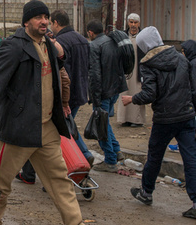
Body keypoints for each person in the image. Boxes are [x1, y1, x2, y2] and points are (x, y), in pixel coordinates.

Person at [0, 0, 103, 225]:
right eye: (38, 17)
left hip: (46, 127)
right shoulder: (13, 46)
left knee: (60, 180)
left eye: (46, 17)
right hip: (19, 127)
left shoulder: (49, 45)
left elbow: (55, 79)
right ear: (26, 22)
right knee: (2, 182)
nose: (44, 21)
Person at [122, 27, 196, 221]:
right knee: (190, 159)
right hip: (186, 116)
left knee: (155, 156)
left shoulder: (148, 64)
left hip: (164, 119)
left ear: (143, 46)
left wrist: (132, 99)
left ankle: (146, 192)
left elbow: (150, 94)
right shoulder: (181, 59)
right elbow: (195, 89)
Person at [51, 9, 95, 165]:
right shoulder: (82, 39)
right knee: (68, 125)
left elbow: (61, 71)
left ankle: (81, 155)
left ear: (56, 22)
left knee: (63, 130)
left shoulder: (60, 42)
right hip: (81, 90)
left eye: (51, 23)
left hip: (67, 93)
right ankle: (84, 153)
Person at [86, 19, 128, 172]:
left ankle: (110, 160)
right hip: (115, 89)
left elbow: (95, 75)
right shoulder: (113, 41)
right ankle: (117, 152)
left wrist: (95, 99)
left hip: (103, 92)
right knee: (106, 124)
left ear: (91, 32)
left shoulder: (95, 46)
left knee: (101, 126)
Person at [117, 13, 146, 127]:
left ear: (139, 24)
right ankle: (124, 119)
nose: (133, 25)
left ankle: (137, 120)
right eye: (131, 22)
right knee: (124, 92)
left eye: (135, 22)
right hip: (125, 70)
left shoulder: (143, 36)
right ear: (128, 23)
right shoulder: (123, 36)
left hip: (139, 70)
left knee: (137, 92)